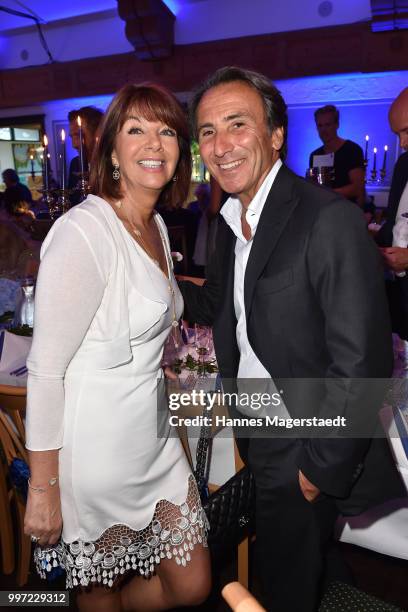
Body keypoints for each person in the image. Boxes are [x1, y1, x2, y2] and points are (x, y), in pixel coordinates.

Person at [179, 66, 404, 612]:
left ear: (276, 134)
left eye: (238, 124)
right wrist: (150, 272)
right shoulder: (233, 221)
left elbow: (362, 362)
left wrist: (317, 470)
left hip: (304, 443)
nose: (222, 144)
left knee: (282, 589)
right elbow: (219, 306)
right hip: (258, 427)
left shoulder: (326, 219)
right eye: (208, 131)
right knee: (307, 563)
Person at [24, 83, 211, 612]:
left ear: (180, 153)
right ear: (110, 150)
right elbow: (44, 370)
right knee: (97, 593)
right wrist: (44, 489)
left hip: (151, 439)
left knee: (192, 582)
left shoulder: (152, 223)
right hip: (94, 448)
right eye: (137, 129)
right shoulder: (83, 231)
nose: (154, 142)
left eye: (167, 130)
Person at [376, 87, 408, 339]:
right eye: (398, 134)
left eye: (406, 130)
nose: (403, 143)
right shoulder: (402, 165)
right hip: (399, 291)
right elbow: (395, 223)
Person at [309, 105, 365, 205]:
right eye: (320, 126)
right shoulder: (314, 155)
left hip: (347, 211)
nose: (323, 130)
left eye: (327, 125)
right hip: (324, 212)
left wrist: (328, 194)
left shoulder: (352, 150)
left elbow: (358, 188)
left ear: (337, 125)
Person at [67, 106, 104, 205]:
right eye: (72, 137)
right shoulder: (75, 164)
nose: (74, 145)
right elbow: (72, 202)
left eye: (78, 135)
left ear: (97, 134)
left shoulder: (114, 164)